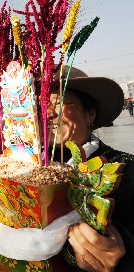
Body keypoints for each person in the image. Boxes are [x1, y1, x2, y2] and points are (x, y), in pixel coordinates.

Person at [48, 67, 133, 271]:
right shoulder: (23, 166)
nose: (50, 113)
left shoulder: (124, 168)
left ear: (90, 114)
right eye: (42, 105)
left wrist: (122, 258)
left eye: (60, 103)